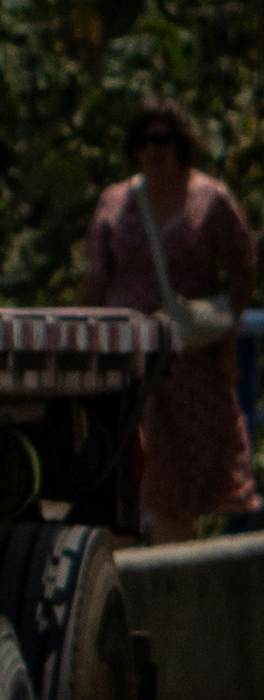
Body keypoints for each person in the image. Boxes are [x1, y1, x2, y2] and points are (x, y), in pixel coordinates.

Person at [81, 99, 259, 538]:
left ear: (180, 143)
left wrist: (227, 334)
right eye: (141, 142)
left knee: (186, 483)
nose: (151, 150)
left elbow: (244, 266)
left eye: (160, 140)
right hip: (128, 360)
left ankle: (178, 581)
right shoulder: (116, 201)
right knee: (126, 475)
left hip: (188, 360)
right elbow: (94, 279)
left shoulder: (211, 199)